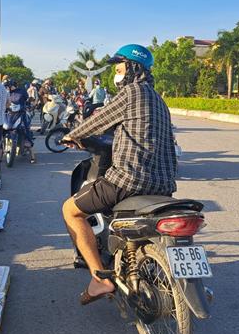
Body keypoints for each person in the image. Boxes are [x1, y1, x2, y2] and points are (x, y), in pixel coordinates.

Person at [61, 44, 178, 305]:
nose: (117, 73)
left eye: (119, 68)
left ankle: (99, 279)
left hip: (129, 180)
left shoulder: (131, 93)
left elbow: (97, 122)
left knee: (71, 210)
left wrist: (72, 135)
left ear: (132, 68)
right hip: (163, 186)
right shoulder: (159, 101)